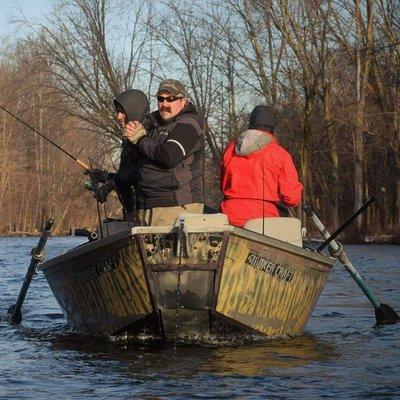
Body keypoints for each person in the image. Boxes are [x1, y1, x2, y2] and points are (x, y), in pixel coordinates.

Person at [120, 79, 205, 226]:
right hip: (148, 205)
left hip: (176, 207)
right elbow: (138, 161)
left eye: (171, 99)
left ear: (183, 101)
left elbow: (169, 155)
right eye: (160, 99)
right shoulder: (152, 123)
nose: (164, 104)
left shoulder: (189, 124)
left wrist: (140, 139)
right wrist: (130, 139)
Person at [220, 105, 303, 228]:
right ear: (272, 129)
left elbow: (223, 185)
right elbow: (292, 198)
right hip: (263, 222)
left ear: (250, 125)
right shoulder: (280, 154)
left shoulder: (230, 150)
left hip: (229, 217)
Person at [86, 89, 150, 221]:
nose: (118, 117)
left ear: (134, 110)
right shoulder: (128, 139)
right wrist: (105, 176)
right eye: (117, 112)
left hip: (145, 213)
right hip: (131, 213)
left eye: (123, 112)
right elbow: (127, 175)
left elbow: (142, 174)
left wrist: (111, 184)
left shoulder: (148, 137)